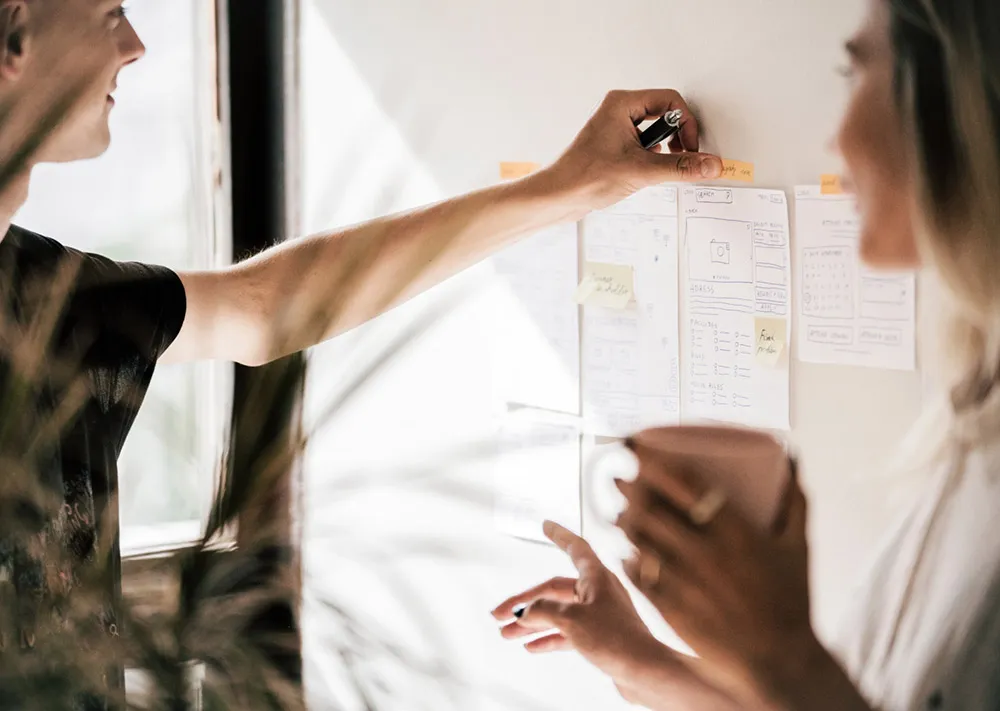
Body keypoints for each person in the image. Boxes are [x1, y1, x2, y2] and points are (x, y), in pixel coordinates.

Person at [0, 0, 726, 705]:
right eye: (108, 13)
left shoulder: (50, 294)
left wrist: (566, 186)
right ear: (15, 35)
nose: (134, 44)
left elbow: (265, 306)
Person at [495, 0, 1000, 708]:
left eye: (856, 77)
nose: (837, 139)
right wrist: (641, 659)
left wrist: (777, 647)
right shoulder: (976, 415)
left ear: (957, 97)